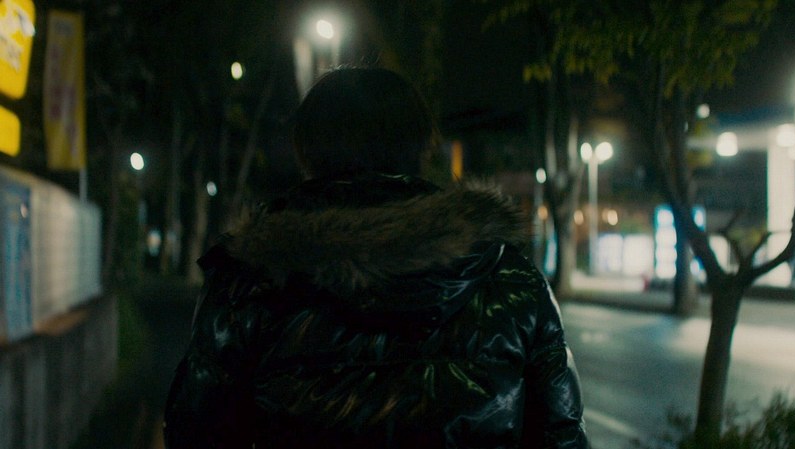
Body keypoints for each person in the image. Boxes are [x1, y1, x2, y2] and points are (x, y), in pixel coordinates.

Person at [163, 67, 589, 449]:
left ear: (307, 150)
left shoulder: (249, 283)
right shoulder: (508, 278)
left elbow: (199, 432)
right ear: (420, 146)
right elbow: (560, 434)